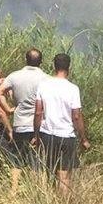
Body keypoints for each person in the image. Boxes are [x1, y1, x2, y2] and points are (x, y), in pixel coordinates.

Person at [32, 52, 90, 192]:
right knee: (64, 176)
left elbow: (38, 112)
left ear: (53, 66)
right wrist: (83, 138)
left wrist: (36, 135)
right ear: (69, 68)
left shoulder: (43, 85)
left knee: (49, 172)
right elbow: (76, 116)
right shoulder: (72, 89)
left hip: (48, 134)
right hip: (66, 135)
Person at [0, 48, 47, 190]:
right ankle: (37, 190)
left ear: (26, 60)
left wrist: (7, 109)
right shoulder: (46, 78)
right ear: (41, 62)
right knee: (37, 160)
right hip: (39, 126)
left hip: (20, 124)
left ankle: (14, 190)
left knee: (17, 159)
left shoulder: (15, 76)